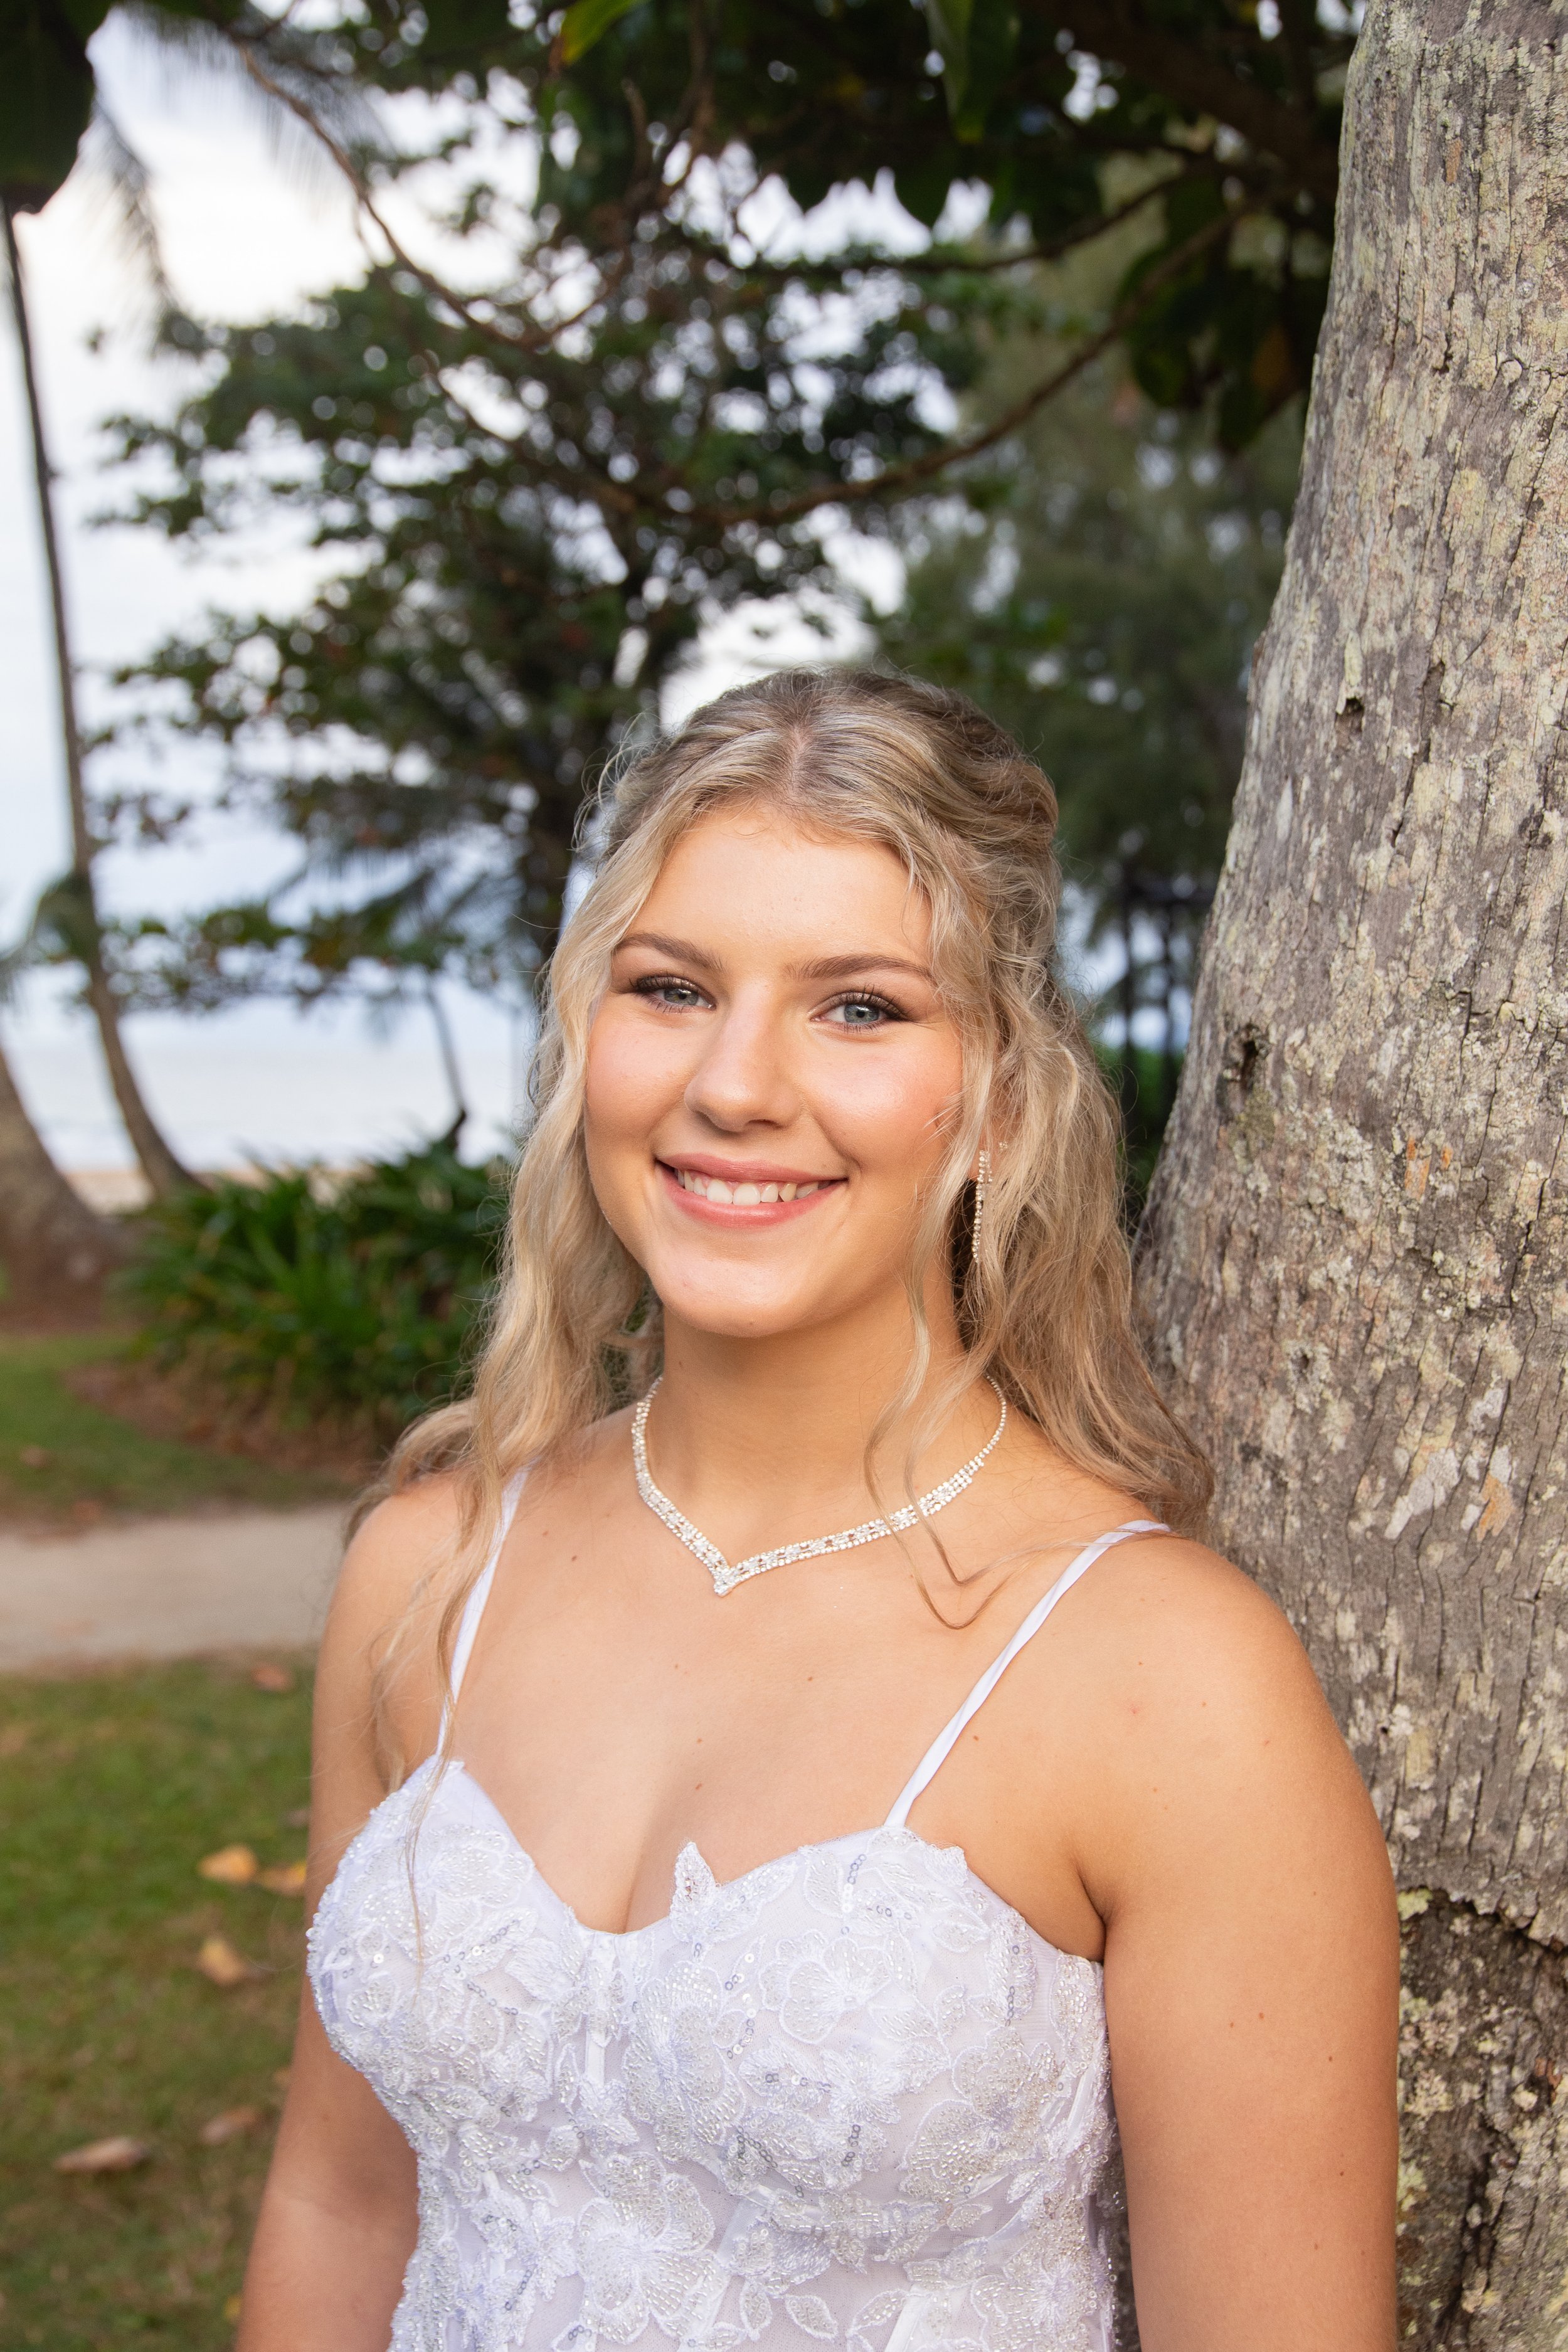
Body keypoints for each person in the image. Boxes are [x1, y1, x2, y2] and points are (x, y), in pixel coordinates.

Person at [238, 669, 1397, 2352]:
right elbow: (340, 2204)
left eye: (857, 1007)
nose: (732, 1084)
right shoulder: (428, 1576)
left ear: (998, 1094)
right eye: (670, 987)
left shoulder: (1161, 1681)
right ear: (588, 1033)